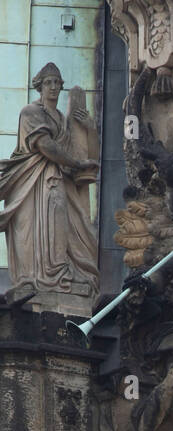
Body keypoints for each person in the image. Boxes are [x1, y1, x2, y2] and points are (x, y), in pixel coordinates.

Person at [0, 63, 98, 301]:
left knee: (59, 225)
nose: (53, 87)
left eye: (57, 82)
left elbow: (88, 158)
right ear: (39, 86)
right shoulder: (30, 112)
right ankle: (36, 280)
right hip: (30, 182)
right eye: (48, 82)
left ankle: (59, 274)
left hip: (56, 180)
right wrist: (76, 163)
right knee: (34, 231)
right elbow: (45, 146)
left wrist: (91, 129)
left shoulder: (63, 120)